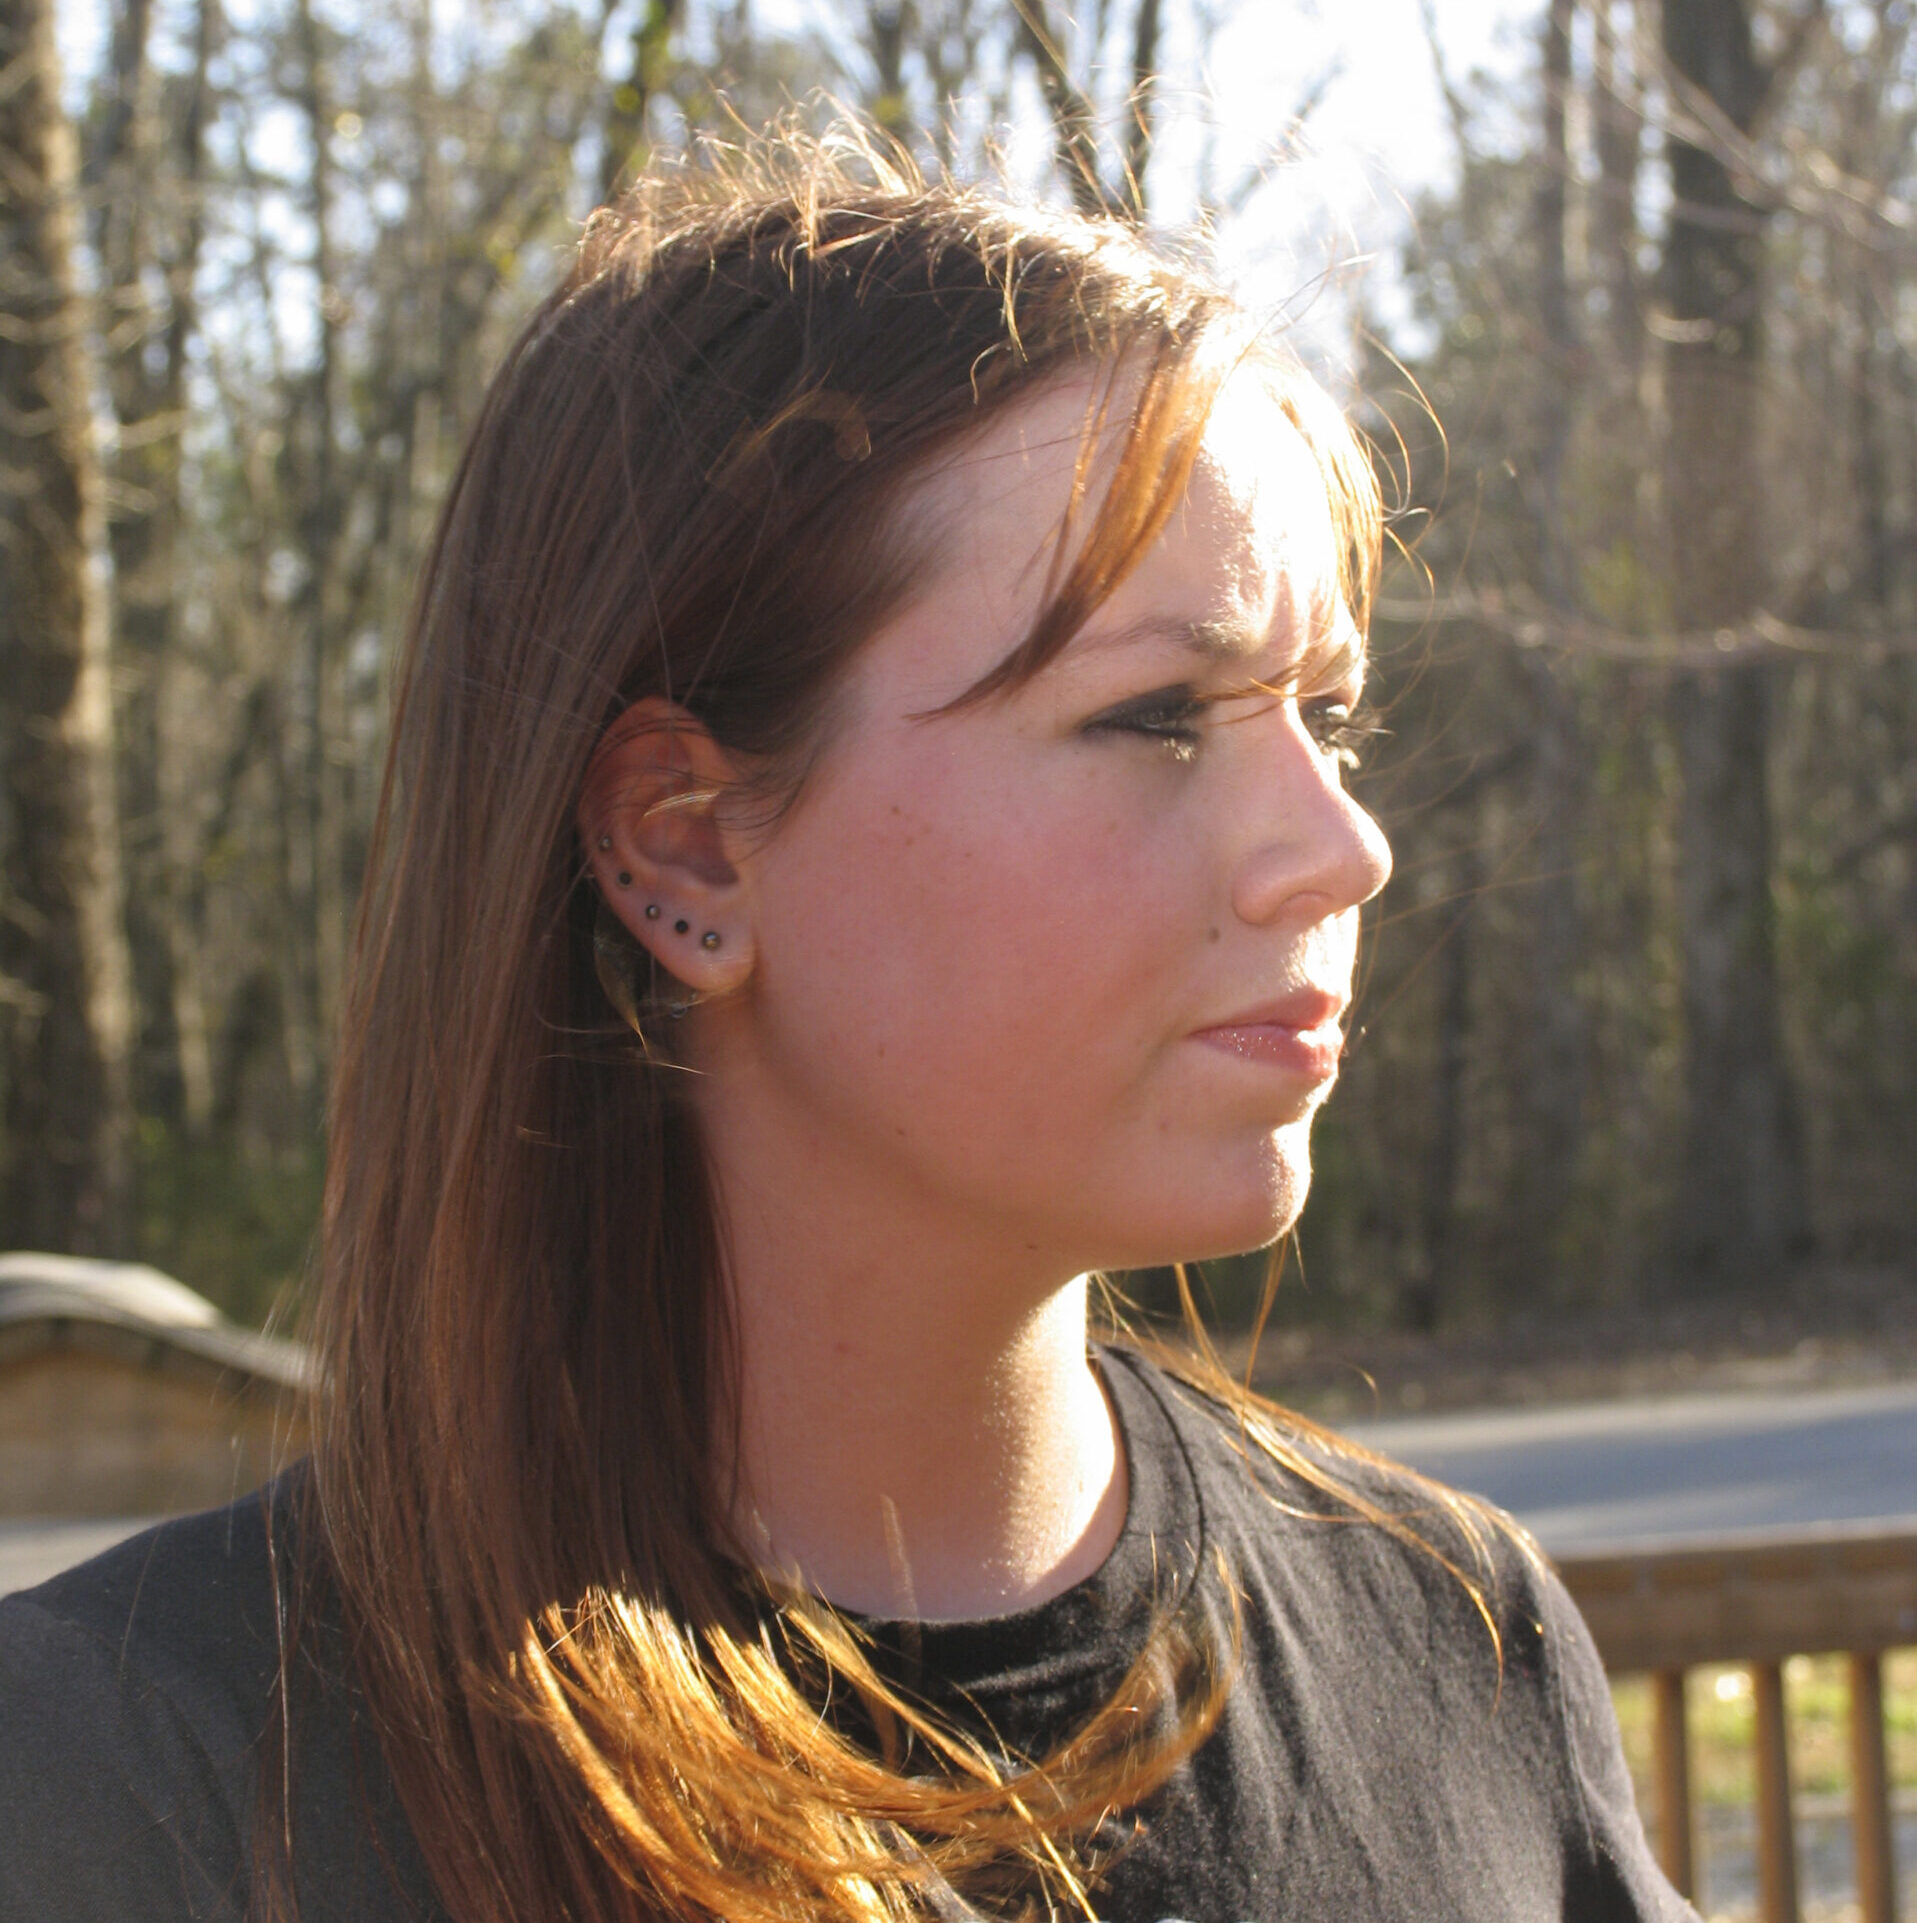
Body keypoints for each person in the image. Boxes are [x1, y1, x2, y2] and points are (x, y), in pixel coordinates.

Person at [0, 131, 1694, 1923]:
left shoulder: (1457, 1641)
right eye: (1154, 715)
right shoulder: (134, 1779)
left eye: (1326, 718)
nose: (1340, 850)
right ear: (684, 845)